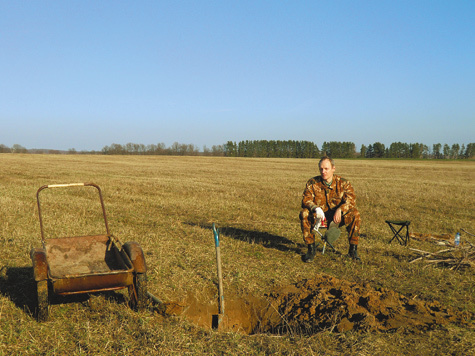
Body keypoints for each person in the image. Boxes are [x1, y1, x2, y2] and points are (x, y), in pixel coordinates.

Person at [299, 156, 361, 262]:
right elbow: (306, 200)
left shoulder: (343, 183)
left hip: (337, 219)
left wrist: (340, 209)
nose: (323, 172)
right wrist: (315, 208)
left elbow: (351, 200)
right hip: (319, 218)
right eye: (321, 169)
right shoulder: (312, 183)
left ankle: (353, 250)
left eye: (326, 169)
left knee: (355, 214)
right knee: (304, 213)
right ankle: (311, 249)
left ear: (333, 168)